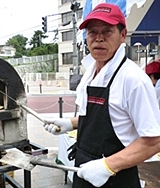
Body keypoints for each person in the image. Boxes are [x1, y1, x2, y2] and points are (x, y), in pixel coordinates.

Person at [44, 3, 160, 188]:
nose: (98, 38)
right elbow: (96, 116)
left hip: (116, 177)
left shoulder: (134, 79)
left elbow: (153, 141)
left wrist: (108, 166)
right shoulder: (90, 72)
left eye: (107, 31)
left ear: (123, 35)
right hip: (84, 167)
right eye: (92, 32)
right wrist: (70, 123)